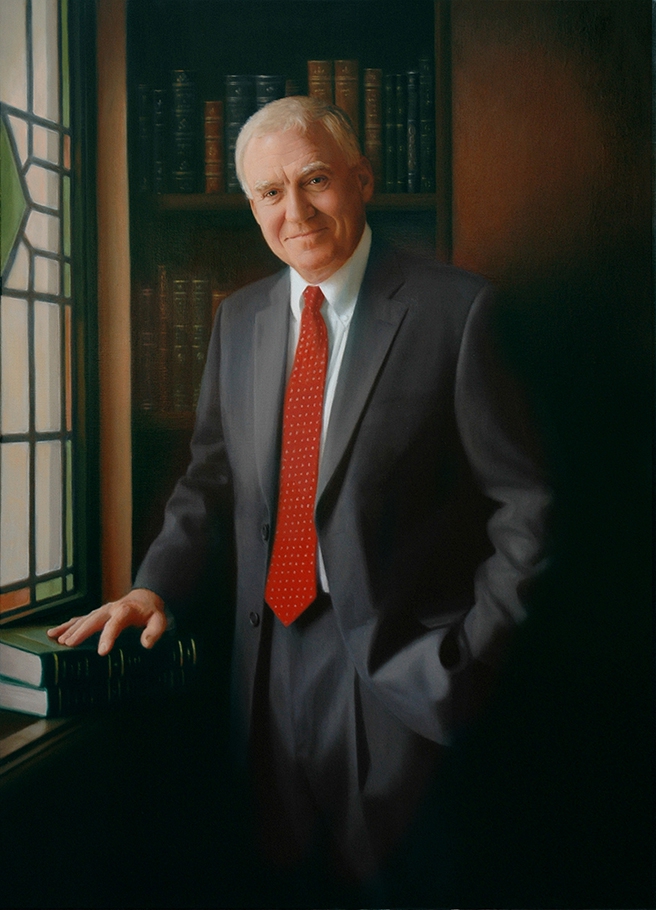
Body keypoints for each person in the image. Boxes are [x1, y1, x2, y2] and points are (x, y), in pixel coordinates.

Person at [49, 96, 550, 900]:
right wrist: (154, 586)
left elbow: (528, 508)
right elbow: (208, 480)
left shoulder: (457, 311)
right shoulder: (238, 320)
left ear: (360, 179)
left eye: (314, 179)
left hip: (404, 675)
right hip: (261, 675)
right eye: (269, 193)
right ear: (250, 204)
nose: (295, 211)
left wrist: (461, 662)